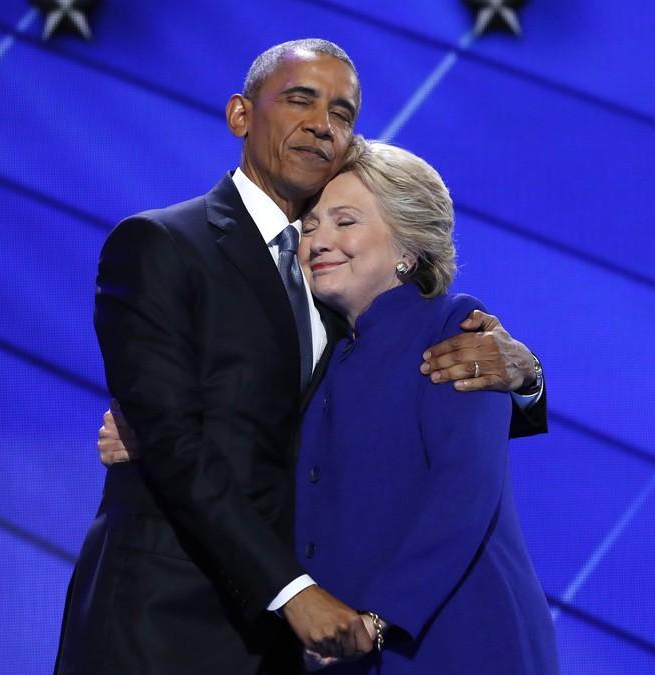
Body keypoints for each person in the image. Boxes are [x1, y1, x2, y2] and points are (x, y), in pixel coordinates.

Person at [56, 39, 547, 675]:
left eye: (342, 113)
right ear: (240, 115)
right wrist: (293, 591)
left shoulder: (351, 295)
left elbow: (430, 428)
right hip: (171, 621)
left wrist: (528, 375)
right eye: (299, 99)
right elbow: (175, 434)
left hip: (315, 642)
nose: (323, 123)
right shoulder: (161, 245)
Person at [294, 140, 558, 673]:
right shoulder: (322, 350)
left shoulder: (454, 327)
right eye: (310, 225)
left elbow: (464, 488)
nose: (319, 240)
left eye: (344, 222)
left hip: (457, 642)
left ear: (407, 250)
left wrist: (380, 618)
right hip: (347, 652)